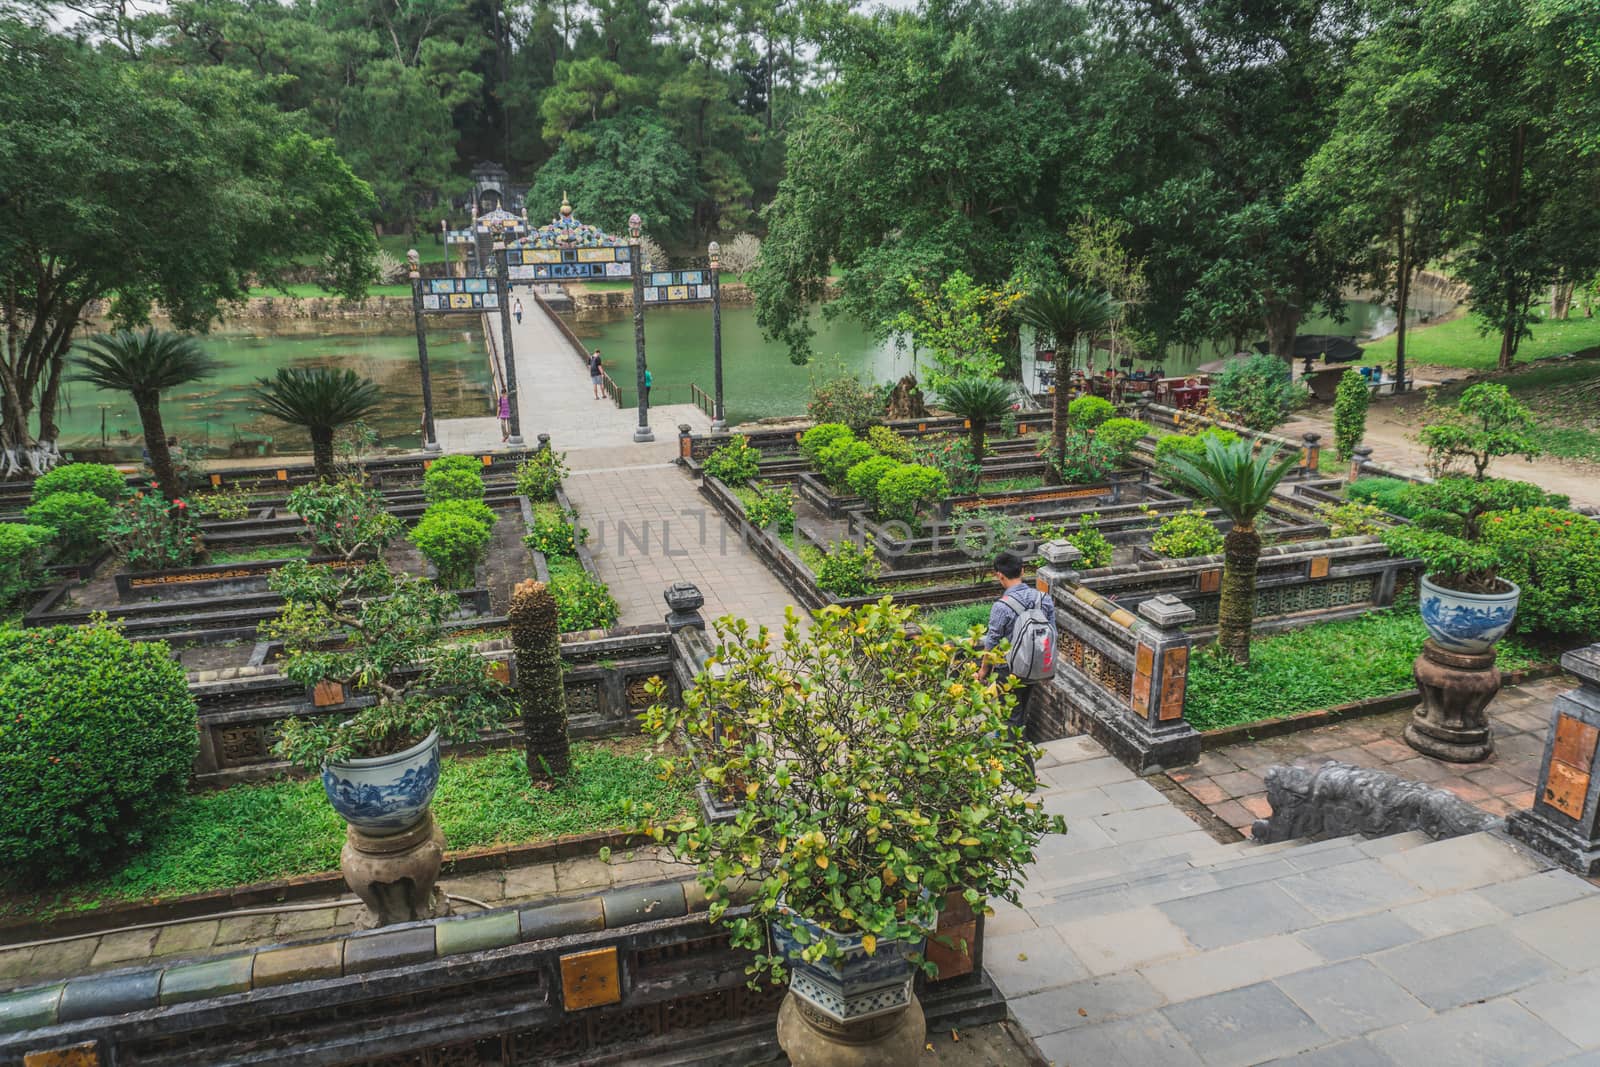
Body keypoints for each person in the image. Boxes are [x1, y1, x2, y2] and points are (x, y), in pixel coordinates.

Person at [976, 550, 1055, 775]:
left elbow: (991, 643)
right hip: (1035, 667)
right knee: (1018, 713)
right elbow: (1052, 634)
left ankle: (1025, 774)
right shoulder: (1043, 598)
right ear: (1022, 571)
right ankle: (1003, 757)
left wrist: (983, 671)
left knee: (1011, 719)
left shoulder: (1002, 606)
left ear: (999, 575)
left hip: (1008, 670)